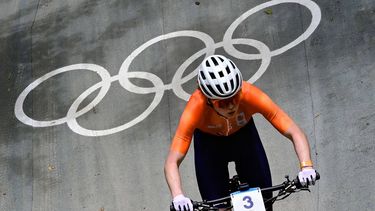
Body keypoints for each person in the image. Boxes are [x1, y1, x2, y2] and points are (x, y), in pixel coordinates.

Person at [164, 55, 317, 211]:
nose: (231, 105)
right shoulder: (196, 107)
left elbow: (294, 131)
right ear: (208, 100)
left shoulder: (250, 94)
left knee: (265, 201)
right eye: (222, 102)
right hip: (210, 147)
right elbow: (172, 161)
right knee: (218, 207)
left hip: (243, 139)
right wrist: (178, 196)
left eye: (235, 97)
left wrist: (306, 166)